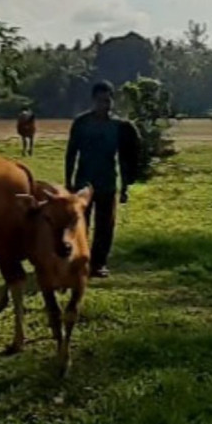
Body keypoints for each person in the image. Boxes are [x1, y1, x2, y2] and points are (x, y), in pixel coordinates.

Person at [65, 81, 141, 278]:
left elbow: (125, 159)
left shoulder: (119, 127)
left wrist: (125, 186)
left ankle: (99, 263)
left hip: (107, 182)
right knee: (80, 223)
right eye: (100, 101)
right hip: (83, 184)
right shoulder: (81, 124)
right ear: (93, 101)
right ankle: (79, 259)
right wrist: (68, 182)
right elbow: (71, 153)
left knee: (105, 227)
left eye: (107, 101)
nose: (104, 105)